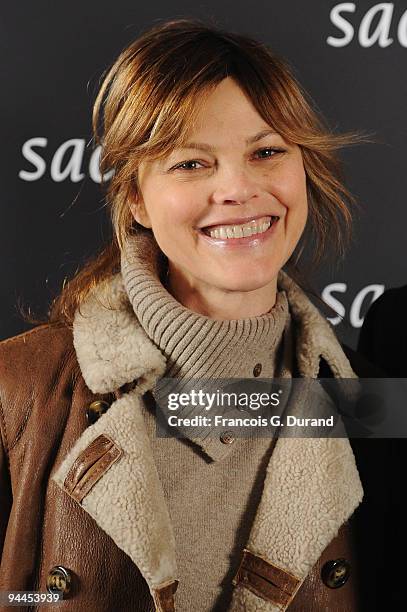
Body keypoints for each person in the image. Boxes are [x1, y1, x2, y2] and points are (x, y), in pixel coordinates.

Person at [0, 18, 393, 612]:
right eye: (191, 163)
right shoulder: (16, 388)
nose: (238, 188)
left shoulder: (369, 404)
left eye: (266, 152)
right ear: (136, 198)